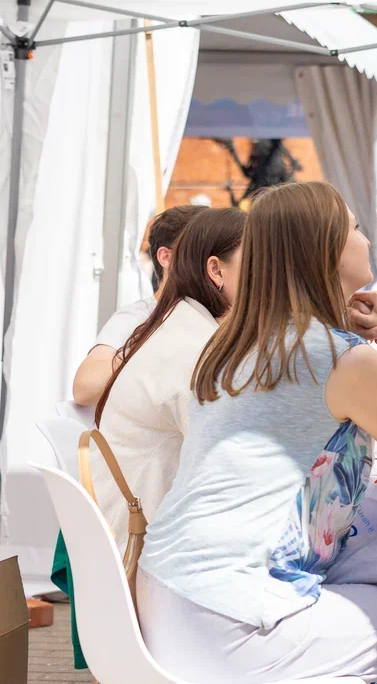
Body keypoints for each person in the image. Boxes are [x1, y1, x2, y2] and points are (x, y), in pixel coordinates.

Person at [137, 182, 377, 684]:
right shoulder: (344, 359)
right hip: (233, 629)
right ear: (326, 249)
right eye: (356, 228)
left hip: (164, 602)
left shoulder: (230, 344)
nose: (365, 239)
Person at [91, 207, 245, 546]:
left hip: (144, 540)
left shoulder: (182, 324)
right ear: (216, 271)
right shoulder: (194, 350)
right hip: (154, 556)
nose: (275, 277)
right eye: (261, 263)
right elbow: (236, 469)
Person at [71, 204, 207, 406]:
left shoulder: (216, 315)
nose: (211, 263)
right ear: (166, 257)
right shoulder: (137, 316)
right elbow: (85, 389)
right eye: (199, 251)